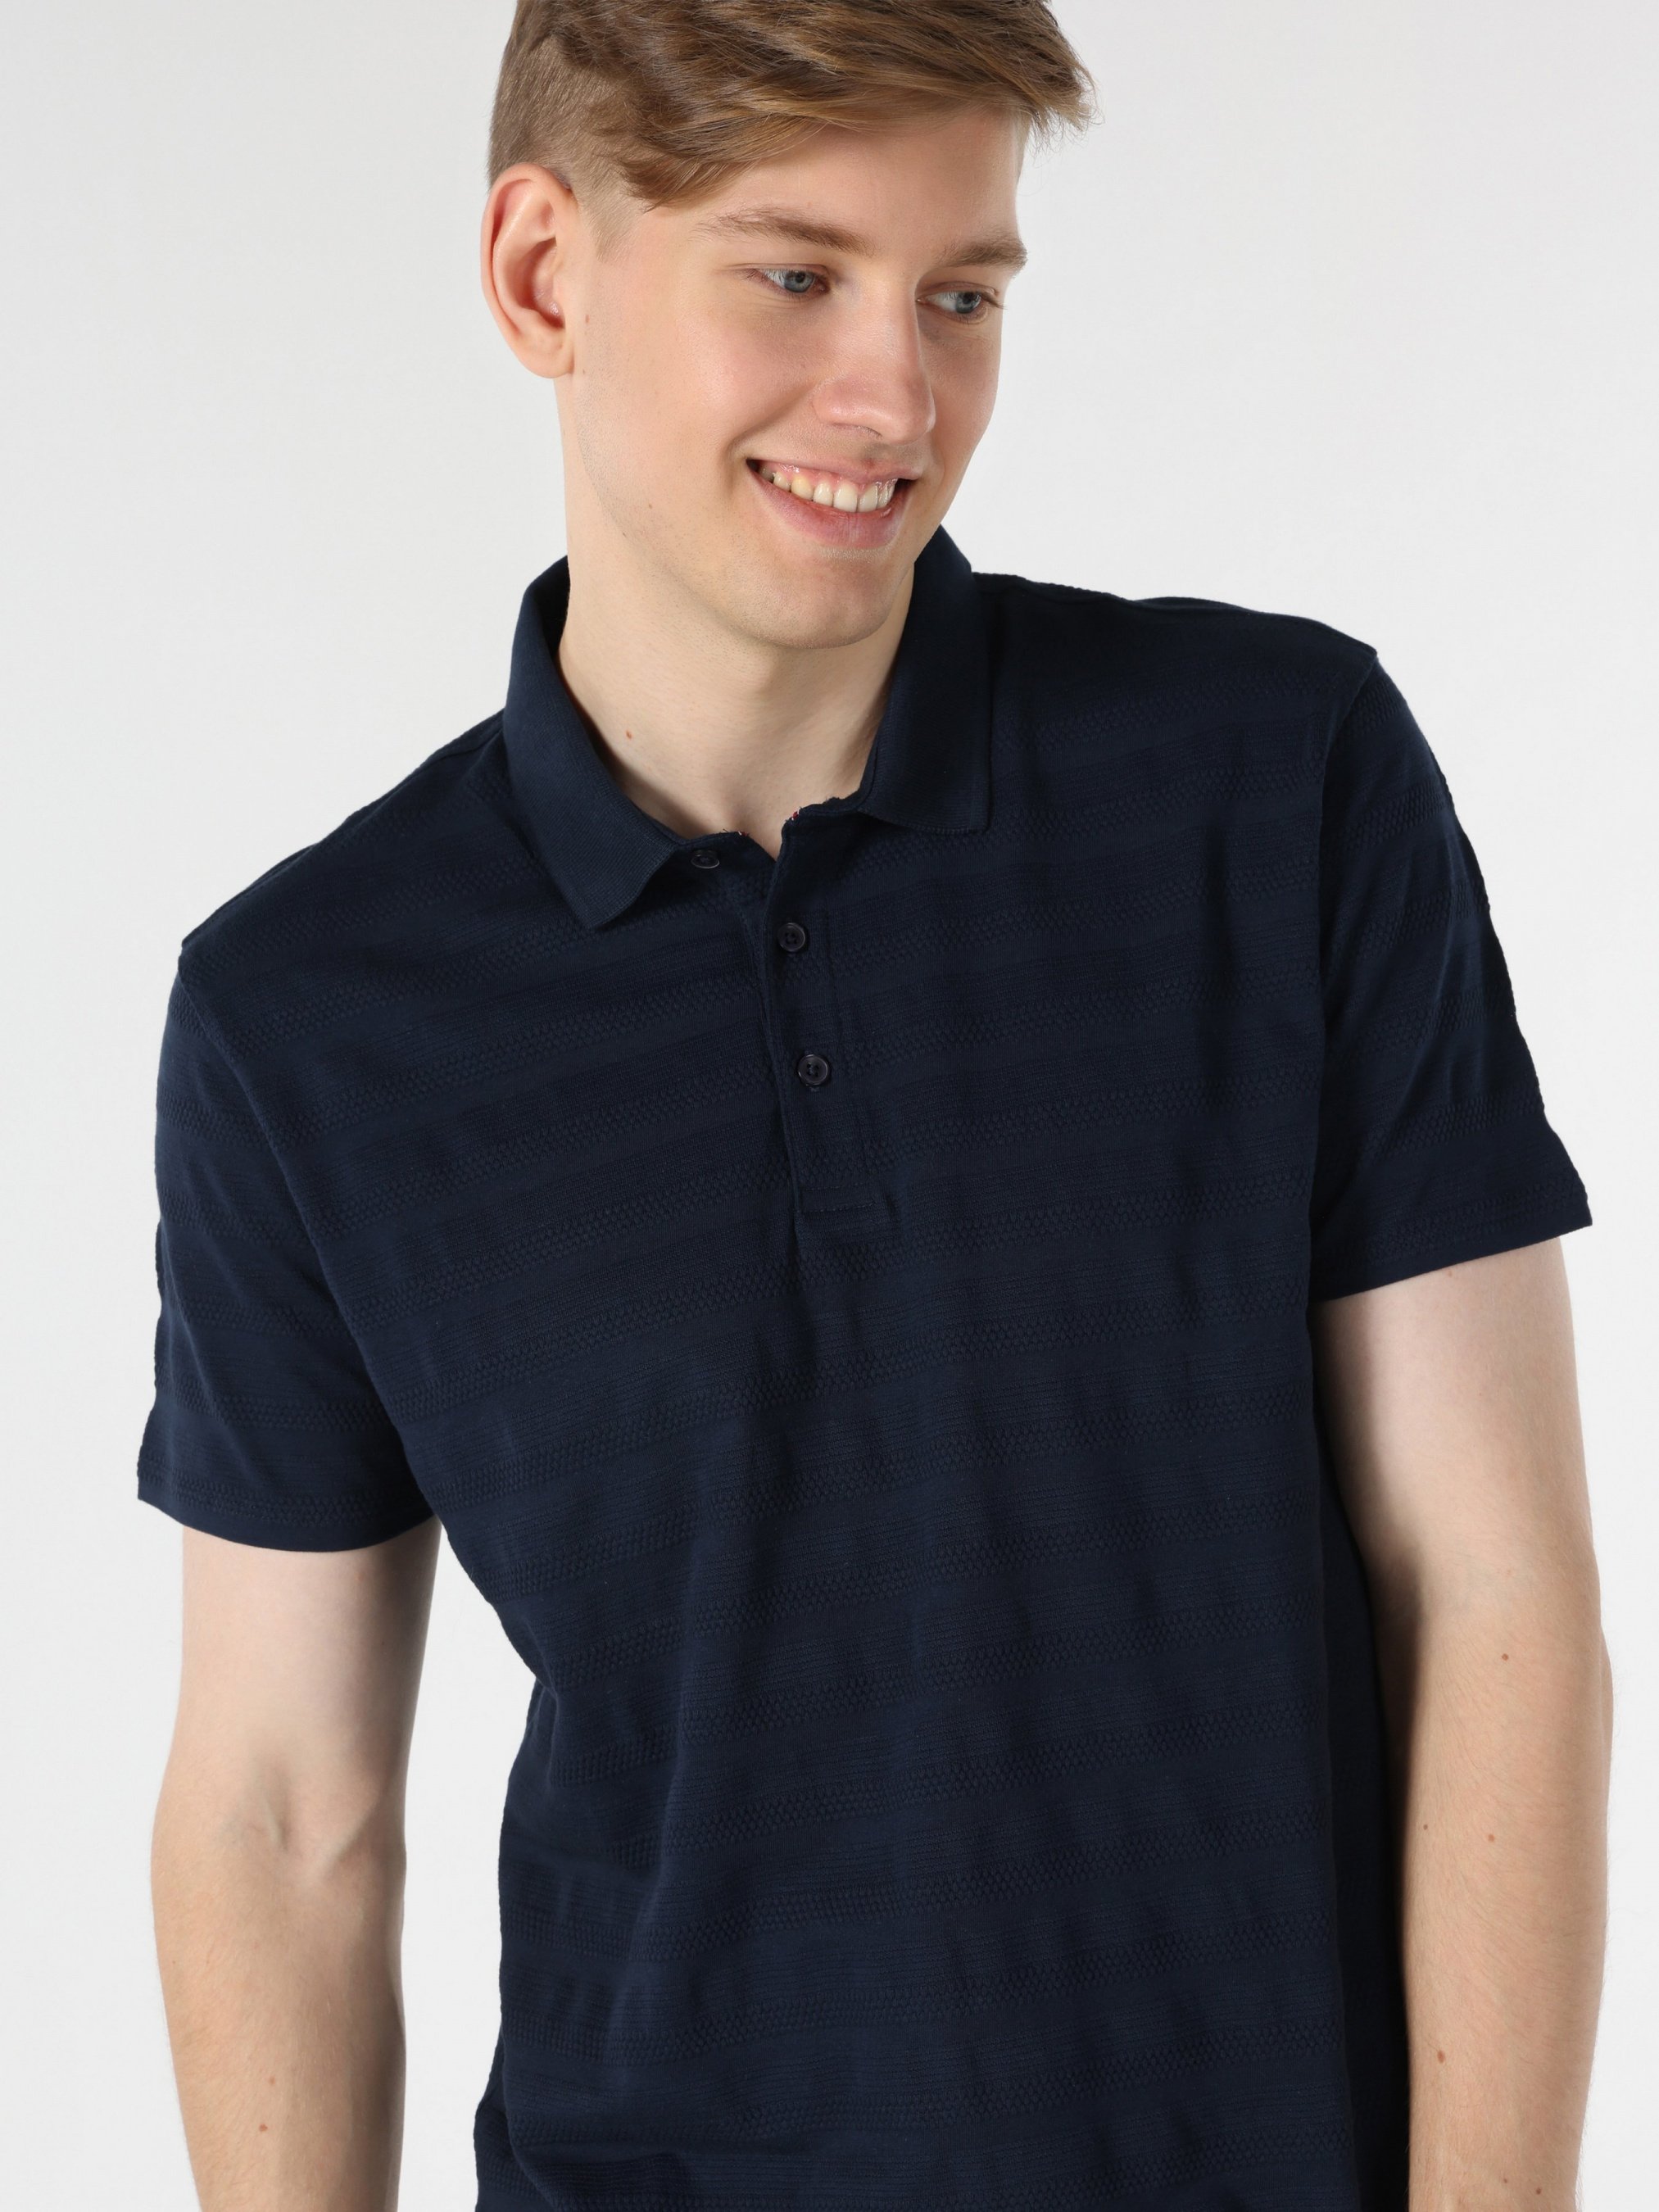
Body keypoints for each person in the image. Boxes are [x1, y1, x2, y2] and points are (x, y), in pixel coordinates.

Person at [137, 4, 1611, 2208]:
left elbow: (1490, 1591)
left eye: (960, 296)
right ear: (542, 273)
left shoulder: (1276, 779)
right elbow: (281, 1808)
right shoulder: (310, 1013)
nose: (896, 402)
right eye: (796, 274)